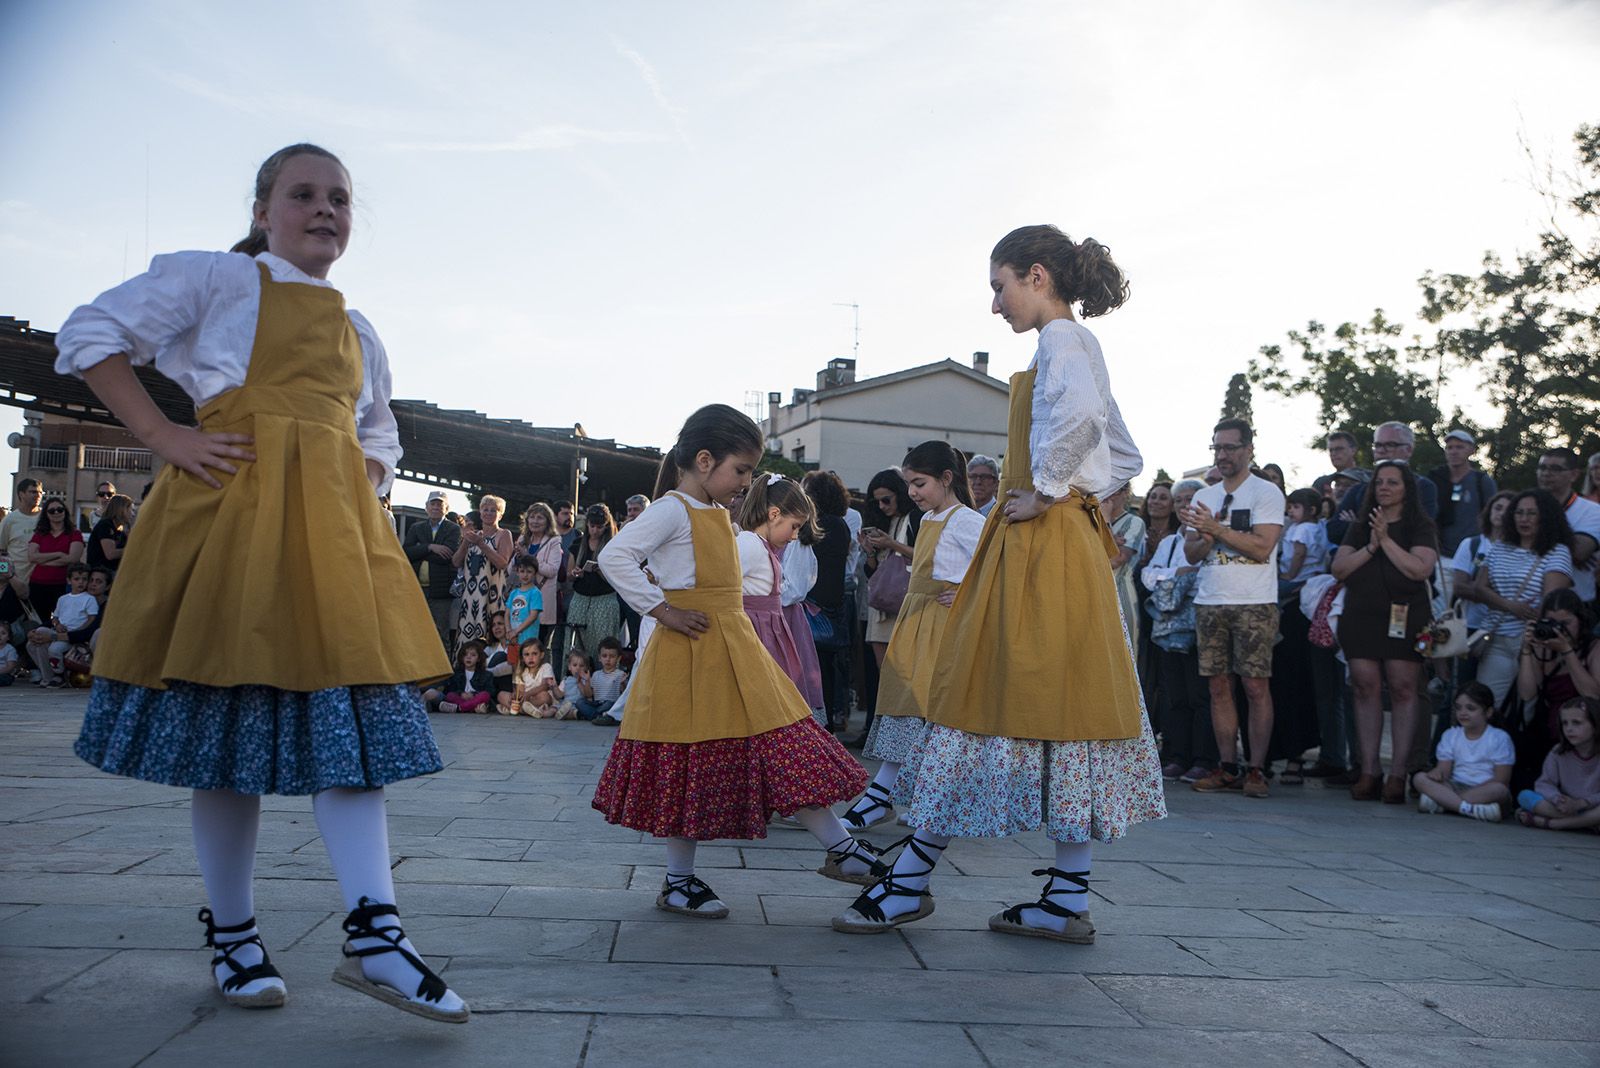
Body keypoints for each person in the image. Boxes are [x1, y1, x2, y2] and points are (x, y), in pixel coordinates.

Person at [53, 143, 464, 1021]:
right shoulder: (220, 283)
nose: (326, 210)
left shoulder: (360, 332)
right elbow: (89, 333)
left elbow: (380, 432)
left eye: (340, 199)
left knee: (352, 726)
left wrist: (359, 484)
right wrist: (165, 438)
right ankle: (236, 935)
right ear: (262, 210)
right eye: (304, 194)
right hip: (231, 525)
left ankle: (375, 931)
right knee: (225, 734)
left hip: (332, 543)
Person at [833, 225, 1163, 941]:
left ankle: (910, 879)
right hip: (1065, 549)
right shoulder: (1080, 345)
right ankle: (1066, 898)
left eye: (999, 286)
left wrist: (1043, 491)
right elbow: (1125, 452)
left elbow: (1081, 422)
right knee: (1060, 710)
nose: (995, 305)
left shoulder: (1061, 343)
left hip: (1038, 546)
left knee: (974, 696)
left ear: (1036, 276)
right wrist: (1073, 501)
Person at [592, 404, 880, 919]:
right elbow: (615, 555)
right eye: (741, 470)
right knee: (693, 760)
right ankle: (682, 880)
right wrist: (663, 610)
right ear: (704, 461)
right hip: (693, 652)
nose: (746, 482)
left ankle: (844, 851)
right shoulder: (672, 509)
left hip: (736, 648)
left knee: (785, 745)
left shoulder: (711, 514)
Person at [843, 440, 984, 831]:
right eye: (909, 484)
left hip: (944, 628)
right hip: (918, 620)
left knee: (926, 713)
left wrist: (971, 591)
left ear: (946, 478)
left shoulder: (967, 520)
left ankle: (883, 797)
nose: (913, 492)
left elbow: (999, 567)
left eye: (919, 483)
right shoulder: (932, 519)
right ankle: (902, 798)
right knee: (908, 710)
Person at [1181, 419, 1284, 798]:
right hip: (1210, 598)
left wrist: (1218, 530)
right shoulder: (1203, 496)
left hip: (1254, 600)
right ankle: (1227, 766)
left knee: (1256, 686)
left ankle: (1256, 769)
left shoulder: (1266, 493)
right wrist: (1206, 537)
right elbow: (1191, 552)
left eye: (1229, 448)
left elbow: (1262, 548)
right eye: (1217, 448)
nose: (1222, 455)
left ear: (1248, 450)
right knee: (1218, 687)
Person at [1330, 461, 1440, 802]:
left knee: (1404, 688)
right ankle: (1369, 770)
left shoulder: (1420, 525)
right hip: (1362, 614)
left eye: (1393, 482)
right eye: (1380, 482)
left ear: (1407, 487)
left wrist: (1386, 540)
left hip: (1405, 615)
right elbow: (1339, 569)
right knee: (1365, 687)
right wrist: (1372, 544)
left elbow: (1419, 569)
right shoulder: (1363, 525)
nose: (1385, 487)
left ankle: (1397, 774)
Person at [1468, 489, 1575, 704]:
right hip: (1496, 636)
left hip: (1532, 641)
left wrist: (1513, 608)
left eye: (1531, 514)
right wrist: (1510, 606)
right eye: (1519, 513)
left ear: (1545, 517)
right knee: (1485, 703)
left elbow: (1550, 602)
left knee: (1526, 706)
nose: (1524, 519)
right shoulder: (1500, 547)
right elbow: (1479, 587)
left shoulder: (1557, 551)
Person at [1142, 480, 1217, 782]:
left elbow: (1206, 577)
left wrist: (1173, 578)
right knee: (1174, 694)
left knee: (1201, 694)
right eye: (1180, 501)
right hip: (1169, 626)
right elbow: (1148, 576)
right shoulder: (1169, 543)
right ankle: (1177, 756)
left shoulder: (1212, 538)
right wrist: (1177, 573)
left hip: (1201, 623)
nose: (1185, 506)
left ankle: (1204, 758)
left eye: (1191, 500)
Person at [736, 474, 826, 713]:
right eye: (794, 526)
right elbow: (722, 587)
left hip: (766, 638)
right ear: (774, 514)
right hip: (753, 640)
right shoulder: (748, 544)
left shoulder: (761, 546)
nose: (795, 535)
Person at [1269, 487, 1331, 784]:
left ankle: (1294, 752)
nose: (1290, 512)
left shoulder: (1300, 531)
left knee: (1294, 682)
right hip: (1308, 596)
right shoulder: (1318, 529)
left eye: (1295, 507)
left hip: (1295, 602)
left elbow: (1297, 559)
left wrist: (1286, 580)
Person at [1512, 589, 1600, 789]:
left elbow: (1593, 694)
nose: (1560, 629)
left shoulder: (1594, 648)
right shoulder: (1542, 647)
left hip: (1588, 732)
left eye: (1566, 623)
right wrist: (1527, 650)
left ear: (1581, 620)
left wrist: (1567, 651)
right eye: (1553, 622)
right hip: (1551, 730)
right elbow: (1527, 692)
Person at [803, 470, 856, 735]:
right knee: (828, 670)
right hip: (833, 603)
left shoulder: (821, 525)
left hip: (816, 605)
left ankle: (823, 727)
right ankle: (828, 725)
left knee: (817, 671)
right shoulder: (840, 524)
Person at [1413, 682, 1514, 821]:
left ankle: (1444, 804)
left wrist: (1451, 796)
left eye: (1470, 708)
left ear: (1488, 712)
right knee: (1419, 778)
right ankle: (1469, 809)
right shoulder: (1451, 735)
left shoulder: (1499, 738)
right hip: (1455, 786)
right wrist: (1437, 773)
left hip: (1485, 789)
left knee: (1500, 790)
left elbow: (1502, 779)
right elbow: (1444, 771)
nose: (1463, 713)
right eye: (1458, 708)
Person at [1326, 422, 1438, 545]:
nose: (1381, 451)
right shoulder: (1358, 489)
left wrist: (1356, 524)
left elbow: (1417, 533)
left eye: (1390, 445)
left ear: (1409, 449)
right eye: (1378, 445)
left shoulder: (1423, 486)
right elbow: (1333, 532)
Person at [861, 469, 919, 681]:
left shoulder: (913, 518)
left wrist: (892, 544)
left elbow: (926, 556)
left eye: (886, 500)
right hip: (881, 603)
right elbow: (874, 572)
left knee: (903, 672)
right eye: (877, 501)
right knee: (883, 671)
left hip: (903, 602)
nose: (882, 506)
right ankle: (885, 713)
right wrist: (870, 551)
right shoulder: (884, 521)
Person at [1516, 696, 1600, 831]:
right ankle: (1587, 824)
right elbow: (1544, 783)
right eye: (1565, 723)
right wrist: (1558, 799)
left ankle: (1552, 824)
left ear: (1595, 725)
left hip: (1591, 806)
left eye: (1576, 723)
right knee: (1525, 796)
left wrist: (1581, 803)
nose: (1569, 728)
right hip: (1564, 807)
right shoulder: (1558, 752)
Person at [1536, 446, 1600, 604]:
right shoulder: (1527, 506)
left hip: (1575, 605)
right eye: (1542, 467)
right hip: (1526, 603)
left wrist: (1532, 536)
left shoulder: (1592, 511)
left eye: (1556, 468)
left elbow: (1579, 552)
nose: (1546, 473)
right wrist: (1566, 546)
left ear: (1574, 475)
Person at [452, 494, 513, 655]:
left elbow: (502, 563)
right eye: (485, 509)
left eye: (493, 510)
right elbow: (456, 562)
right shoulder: (473, 535)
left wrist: (482, 544)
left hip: (492, 595)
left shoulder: (504, 534)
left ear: (500, 514)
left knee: (490, 633)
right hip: (470, 597)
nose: (488, 513)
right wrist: (466, 541)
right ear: (480, 512)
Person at [403, 490, 461, 653]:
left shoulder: (453, 529)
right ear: (426, 507)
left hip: (440, 592)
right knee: (414, 631)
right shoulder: (416, 528)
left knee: (441, 633)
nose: (436, 507)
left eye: (440, 504)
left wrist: (420, 551)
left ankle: (442, 675)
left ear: (446, 508)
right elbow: (406, 552)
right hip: (417, 588)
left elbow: (447, 556)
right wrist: (431, 547)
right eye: (433, 504)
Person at [566, 504, 623, 667]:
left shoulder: (612, 545)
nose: (595, 530)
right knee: (576, 642)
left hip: (604, 600)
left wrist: (599, 570)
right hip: (581, 599)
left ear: (606, 526)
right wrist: (575, 573)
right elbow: (568, 575)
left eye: (600, 527)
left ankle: (603, 680)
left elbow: (618, 579)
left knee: (602, 644)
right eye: (592, 526)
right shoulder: (578, 544)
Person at [1426, 429, 1497, 558]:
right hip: (1440, 554)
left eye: (1459, 447)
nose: (1454, 452)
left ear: (1471, 450)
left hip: (1473, 553)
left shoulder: (1482, 482)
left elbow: (1494, 516)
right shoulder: (1434, 479)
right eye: (1449, 448)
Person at [27, 562, 96, 687]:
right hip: (59, 631)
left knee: (54, 649)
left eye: (84, 579)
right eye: (76, 579)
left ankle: (59, 675)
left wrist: (78, 631)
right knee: (35, 639)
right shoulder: (63, 599)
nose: (81, 582)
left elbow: (91, 619)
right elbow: (56, 617)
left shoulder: (89, 599)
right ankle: (48, 676)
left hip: (72, 636)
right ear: (69, 580)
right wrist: (57, 624)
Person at [517, 502, 566, 660]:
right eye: (532, 517)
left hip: (541, 601)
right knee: (521, 645)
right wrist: (517, 556)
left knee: (539, 647)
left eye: (540, 518)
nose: (535, 521)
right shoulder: (524, 539)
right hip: (522, 600)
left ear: (547, 522)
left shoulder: (554, 541)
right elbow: (512, 569)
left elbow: (552, 570)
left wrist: (528, 557)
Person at [25, 497, 84, 623]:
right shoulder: (40, 534)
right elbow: (32, 557)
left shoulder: (74, 533)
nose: (56, 513)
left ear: (65, 511)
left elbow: (73, 558)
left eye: (59, 509)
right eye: (52, 511)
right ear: (46, 514)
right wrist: (59, 554)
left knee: (63, 621)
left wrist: (42, 560)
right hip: (38, 584)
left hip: (62, 585)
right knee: (39, 622)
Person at [1104, 482, 1145, 650]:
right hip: (1091, 590)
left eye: (1117, 488)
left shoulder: (1134, 522)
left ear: (1126, 491)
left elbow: (1117, 559)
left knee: (1124, 650)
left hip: (1120, 593)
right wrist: (1112, 540)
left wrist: (1105, 524)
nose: (1110, 494)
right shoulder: (1088, 518)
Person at [1, 479, 44, 628]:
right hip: (14, 583)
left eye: (40, 492)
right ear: (21, 494)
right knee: (9, 627)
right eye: (33, 491)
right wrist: (5, 577)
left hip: (41, 582)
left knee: (38, 627)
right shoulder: (10, 520)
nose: (37, 495)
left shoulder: (47, 517)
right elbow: (1, 554)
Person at [432, 640, 494, 714]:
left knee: (485, 695)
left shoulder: (486, 674)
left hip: (476, 699)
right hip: (461, 699)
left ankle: (459, 708)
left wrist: (473, 694)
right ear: (462, 657)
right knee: (450, 695)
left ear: (478, 659)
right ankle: (470, 709)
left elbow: (490, 692)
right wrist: (461, 694)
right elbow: (450, 690)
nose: (468, 657)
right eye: (465, 655)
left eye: (473, 655)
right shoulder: (456, 673)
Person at [504, 555, 543, 667]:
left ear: (535, 573)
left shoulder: (535, 593)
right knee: (514, 669)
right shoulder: (514, 593)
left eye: (529, 572)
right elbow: (507, 613)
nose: (525, 575)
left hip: (527, 640)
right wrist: (509, 631)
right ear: (517, 572)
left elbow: (533, 616)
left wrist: (516, 631)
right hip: (513, 639)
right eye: (522, 571)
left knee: (527, 669)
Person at [508, 638, 559, 717]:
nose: (531, 658)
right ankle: (525, 709)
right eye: (527, 654)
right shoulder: (521, 671)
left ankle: (520, 709)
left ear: (541, 655)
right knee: (501, 695)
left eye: (534, 654)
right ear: (522, 658)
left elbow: (545, 686)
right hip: (526, 699)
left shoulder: (546, 667)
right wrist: (517, 695)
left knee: (544, 696)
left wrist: (528, 694)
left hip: (538, 699)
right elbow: (520, 691)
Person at [85, 492, 133, 573]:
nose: (132, 514)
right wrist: (132, 549)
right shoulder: (105, 525)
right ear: (122, 510)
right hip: (100, 574)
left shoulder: (119, 529)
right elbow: (110, 554)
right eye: (130, 510)